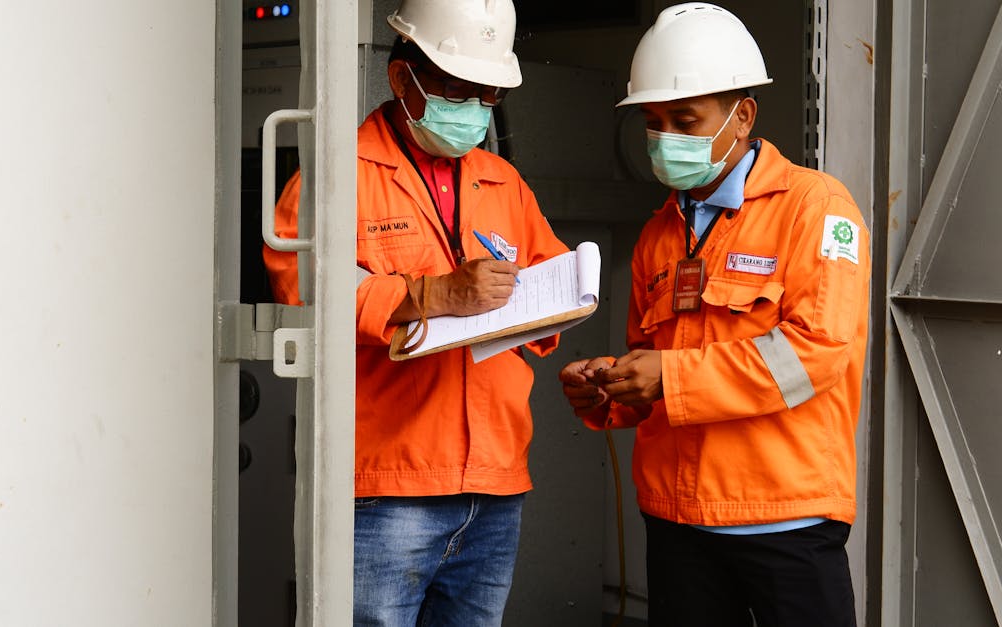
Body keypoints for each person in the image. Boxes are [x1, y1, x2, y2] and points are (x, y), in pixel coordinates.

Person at [559, 4, 870, 627]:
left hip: (785, 519)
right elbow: (652, 369)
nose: (666, 137)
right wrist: (610, 391)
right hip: (679, 522)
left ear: (743, 116)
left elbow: (815, 355)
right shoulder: (659, 233)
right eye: (654, 122)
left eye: (685, 119)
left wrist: (668, 379)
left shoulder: (815, 208)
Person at [264, 0, 569, 624]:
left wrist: (557, 306)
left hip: (494, 483)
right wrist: (431, 295)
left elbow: (550, 280)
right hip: (385, 488)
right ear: (403, 80)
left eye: (486, 98)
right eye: (460, 92)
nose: (476, 113)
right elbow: (305, 292)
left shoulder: (503, 181)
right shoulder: (333, 178)